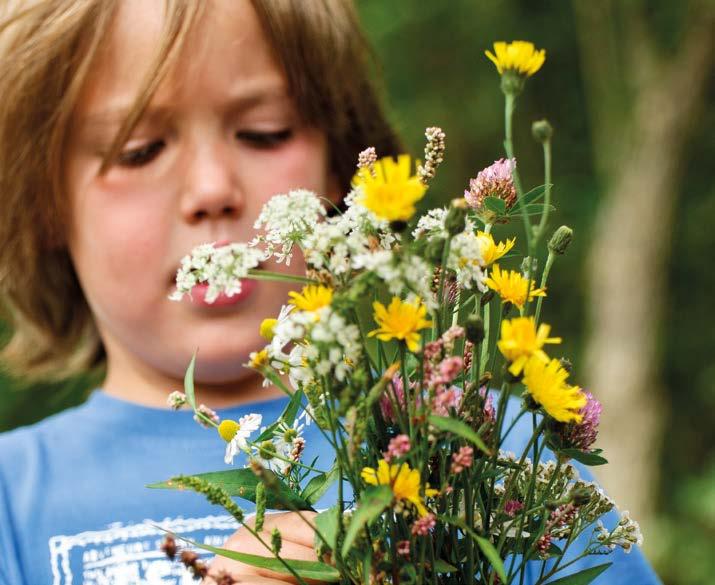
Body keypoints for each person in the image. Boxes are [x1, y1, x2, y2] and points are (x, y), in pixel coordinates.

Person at [0, 1, 660, 583]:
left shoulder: (494, 452)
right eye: (139, 149)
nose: (211, 189)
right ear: (44, 199)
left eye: (265, 132)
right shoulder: (11, 500)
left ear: (346, 163)